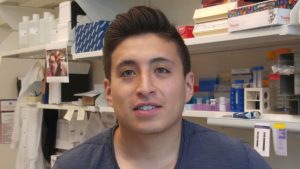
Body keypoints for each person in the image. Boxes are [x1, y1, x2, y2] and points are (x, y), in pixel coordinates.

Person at [53, 6, 271, 169]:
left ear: (187, 86)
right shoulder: (73, 166)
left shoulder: (239, 162)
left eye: (162, 70)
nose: (145, 88)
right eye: (128, 72)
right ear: (108, 92)